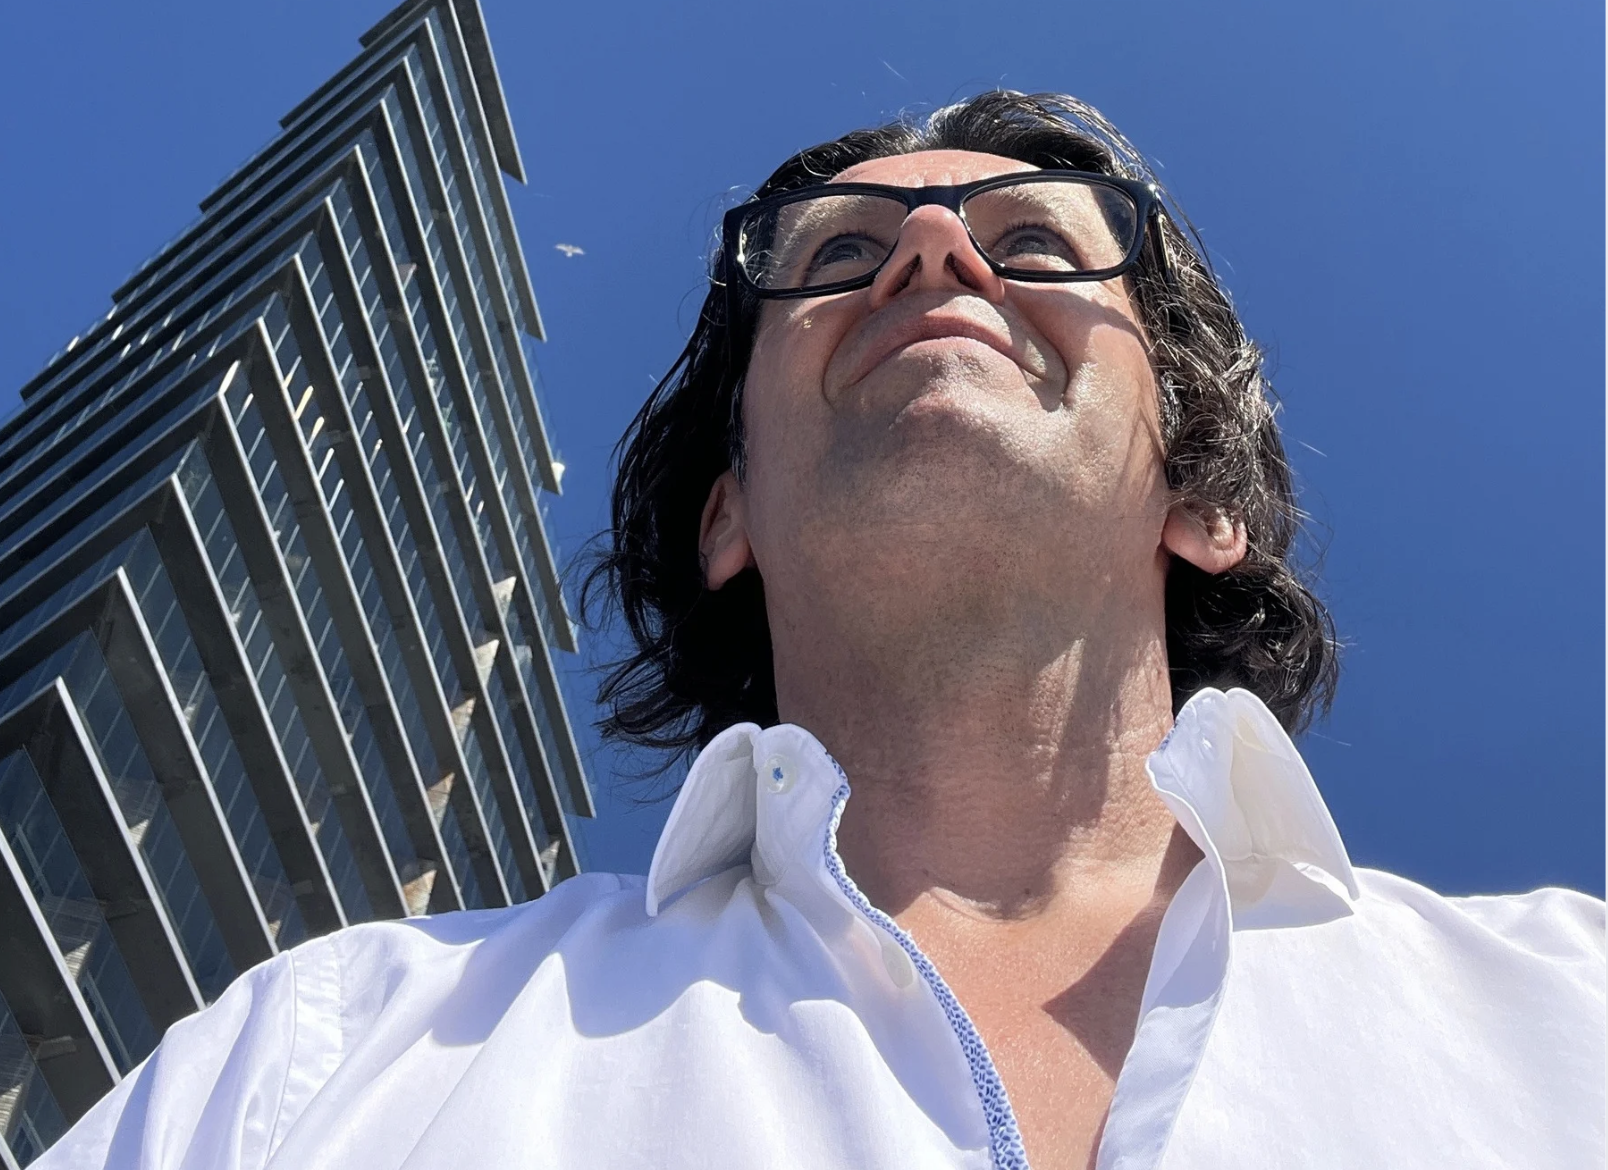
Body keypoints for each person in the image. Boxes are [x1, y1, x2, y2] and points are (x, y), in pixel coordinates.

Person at [40, 91, 1603, 1170]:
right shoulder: (324, 1062)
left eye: (1036, 247)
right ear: (728, 514)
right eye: (843, 257)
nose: (933, 256)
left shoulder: (1572, 1009)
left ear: (1200, 494)